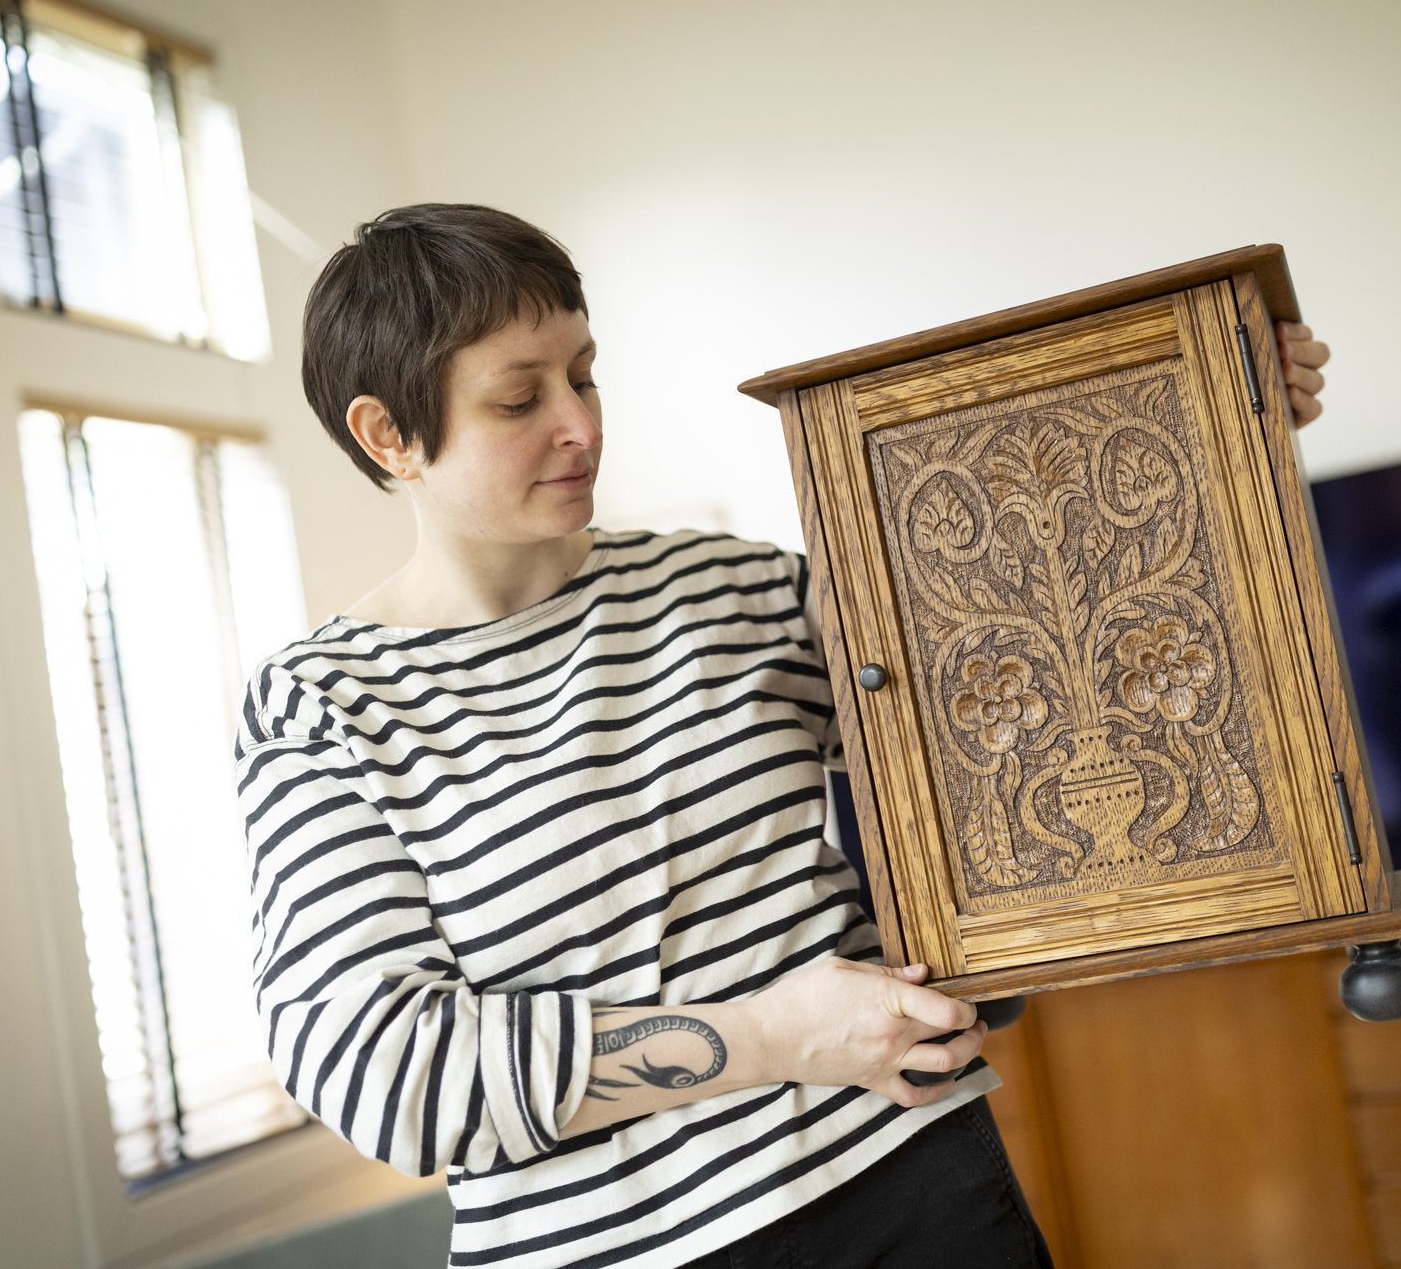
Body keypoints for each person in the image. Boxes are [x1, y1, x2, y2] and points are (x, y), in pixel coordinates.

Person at [235, 204, 1331, 1269]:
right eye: (520, 399)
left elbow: (1029, 663)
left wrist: (1210, 415)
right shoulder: (321, 708)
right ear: (389, 436)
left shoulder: (735, 588)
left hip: (921, 1192)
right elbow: (389, 1078)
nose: (582, 425)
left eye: (585, 374)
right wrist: (774, 1038)